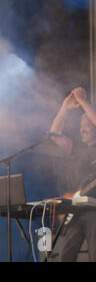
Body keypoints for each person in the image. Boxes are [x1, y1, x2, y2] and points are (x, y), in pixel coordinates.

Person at [49, 87, 96, 261]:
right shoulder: (78, 148)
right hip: (76, 211)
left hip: (94, 210)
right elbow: (54, 135)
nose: (82, 129)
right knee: (66, 256)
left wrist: (83, 101)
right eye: (81, 126)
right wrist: (64, 108)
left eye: (87, 125)